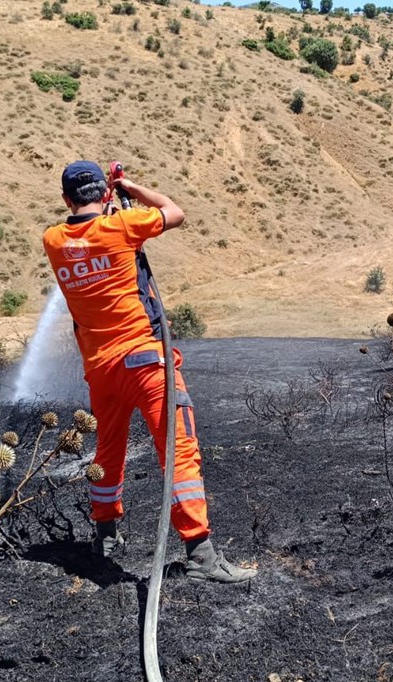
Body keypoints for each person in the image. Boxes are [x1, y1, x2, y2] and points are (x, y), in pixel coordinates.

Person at [42, 160, 256, 584]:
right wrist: (130, 187)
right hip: (144, 358)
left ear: (66, 199)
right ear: (103, 194)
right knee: (178, 451)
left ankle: (105, 535)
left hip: (100, 369)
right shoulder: (122, 226)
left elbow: (89, 237)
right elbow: (175, 212)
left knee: (108, 453)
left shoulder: (53, 240)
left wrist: (109, 205)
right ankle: (202, 557)